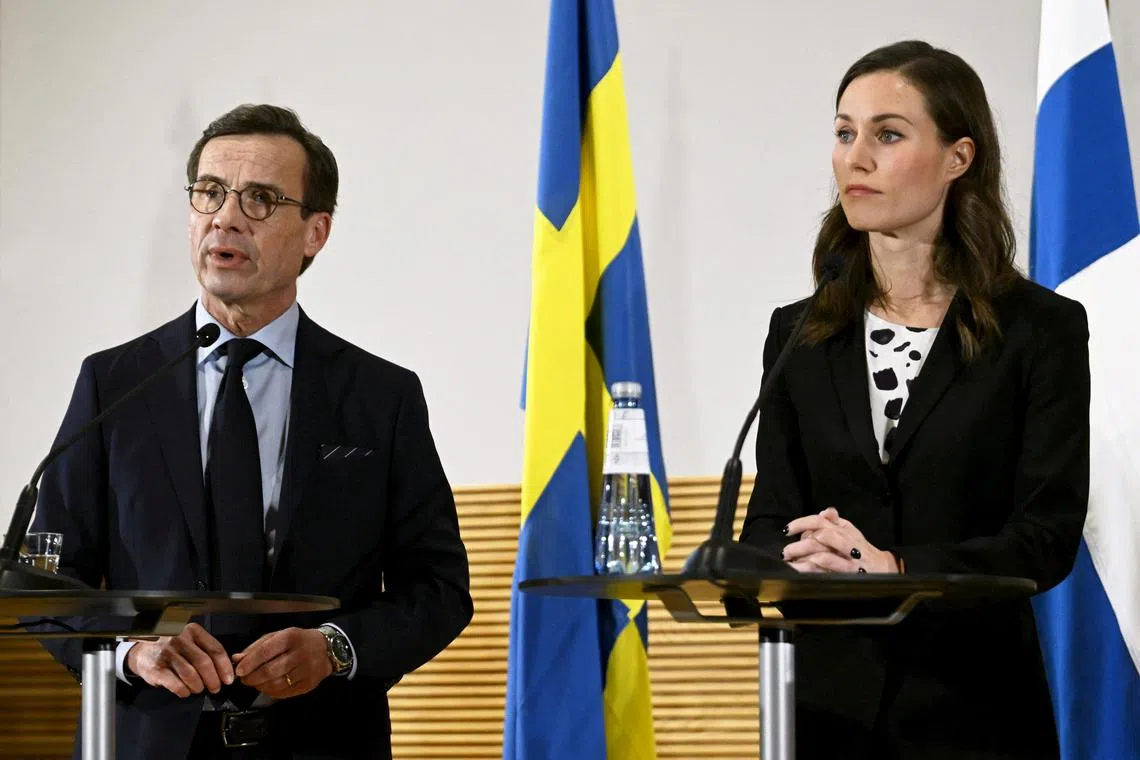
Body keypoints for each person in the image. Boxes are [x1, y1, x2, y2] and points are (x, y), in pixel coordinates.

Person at [32, 104, 473, 759]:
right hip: (148, 741)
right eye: (209, 192)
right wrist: (130, 649)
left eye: (260, 199)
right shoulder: (113, 384)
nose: (225, 217)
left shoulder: (381, 397)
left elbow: (437, 590)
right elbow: (46, 585)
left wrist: (335, 648)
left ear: (315, 231)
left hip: (322, 742)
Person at [739, 41, 1089, 758]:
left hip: (974, 710)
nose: (855, 157)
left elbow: (1043, 539)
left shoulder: (1040, 330)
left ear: (959, 158)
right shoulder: (799, 333)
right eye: (844, 132)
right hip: (827, 713)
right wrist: (798, 555)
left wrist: (893, 569)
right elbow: (771, 519)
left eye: (887, 134)